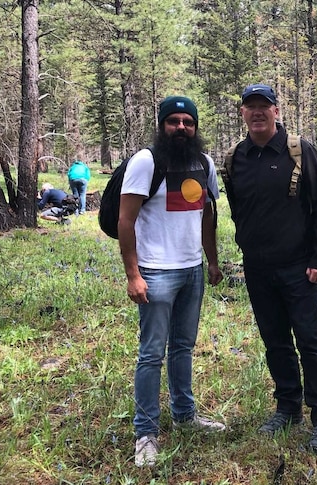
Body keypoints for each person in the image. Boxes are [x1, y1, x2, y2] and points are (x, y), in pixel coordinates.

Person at [225, 83, 317, 453]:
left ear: (276, 111)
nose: (257, 112)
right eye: (250, 107)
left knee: (310, 341)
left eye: (264, 106)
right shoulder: (236, 158)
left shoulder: (299, 151)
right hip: (257, 270)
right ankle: (287, 408)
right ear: (243, 113)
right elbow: (237, 211)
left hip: (299, 269)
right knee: (275, 342)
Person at [118, 95, 226, 467]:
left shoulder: (204, 163)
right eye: (174, 121)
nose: (181, 127)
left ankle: (185, 415)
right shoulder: (146, 161)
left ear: (195, 127)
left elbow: (207, 216)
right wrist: (134, 275)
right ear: (162, 124)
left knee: (183, 347)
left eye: (188, 122)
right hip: (155, 271)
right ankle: (145, 432)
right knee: (151, 353)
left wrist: (211, 262)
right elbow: (125, 221)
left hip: (191, 270)